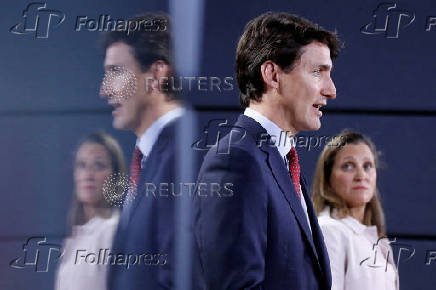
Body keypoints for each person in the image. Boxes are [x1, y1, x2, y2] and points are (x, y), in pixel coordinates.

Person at [193, 12, 341, 289]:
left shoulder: (281, 161)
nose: (331, 90)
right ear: (272, 74)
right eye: (317, 72)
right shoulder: (236, 161)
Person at [99, 13, 190, 290]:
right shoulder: (151, 160)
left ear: (156, 74)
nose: (104, 90)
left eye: (116, 72)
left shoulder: (185, 158)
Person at [312, 130, 399, 290]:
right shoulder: (328, 230)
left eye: (367, 166)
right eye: (348, 166)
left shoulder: (379, 242)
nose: (361, 175)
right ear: (328, 178)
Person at [55, 131, 127, 290]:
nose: (88, 174)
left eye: (99, 165)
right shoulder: (74, 238)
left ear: (115, 177)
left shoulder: (114, 232)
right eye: (82, 165)